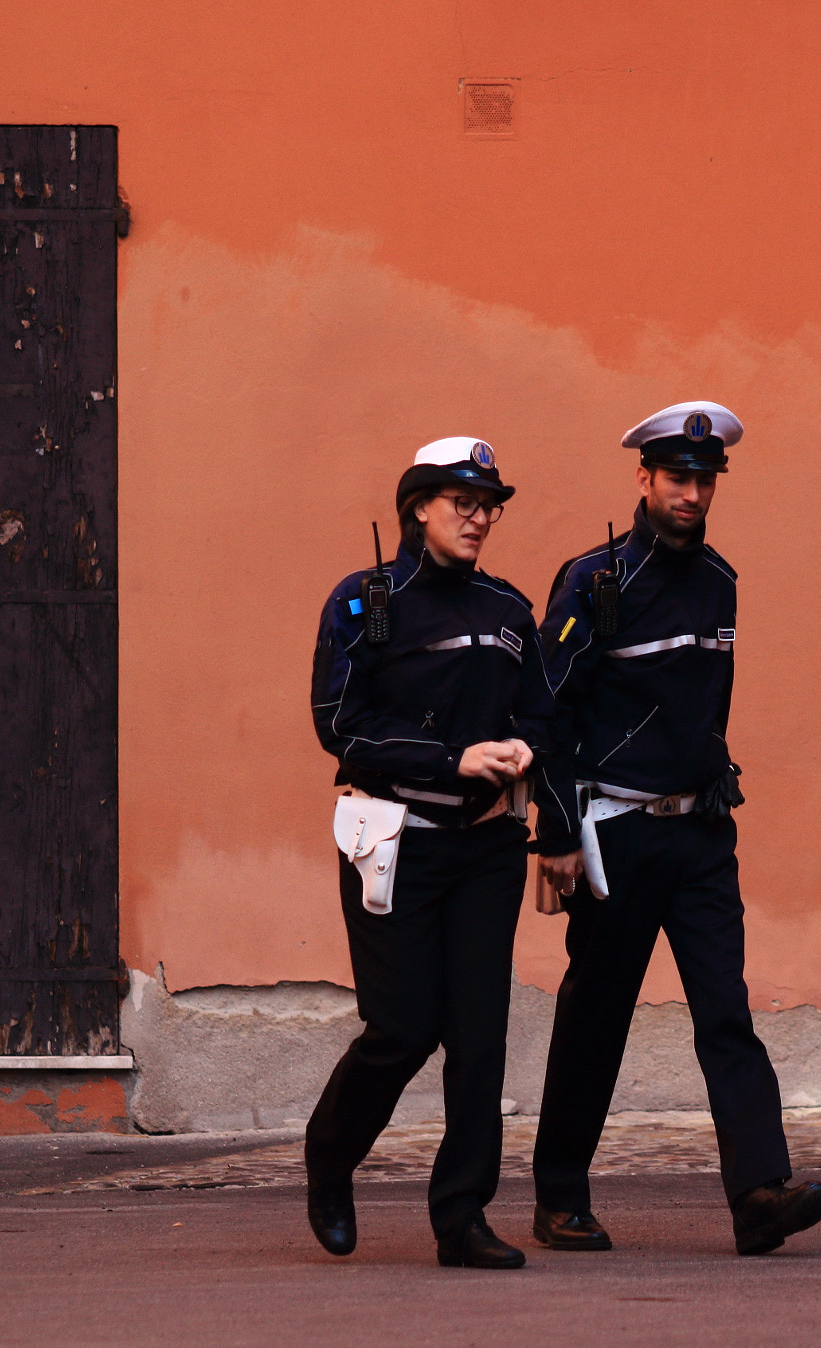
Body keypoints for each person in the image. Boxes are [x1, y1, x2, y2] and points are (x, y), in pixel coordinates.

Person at [528, 400, 821, 1256]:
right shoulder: (594, 583)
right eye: (677, 479)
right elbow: (547, 714)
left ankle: (758, 1194)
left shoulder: (722, 581)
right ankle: (560, 1200)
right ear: (644, 480)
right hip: (616, 836)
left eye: (704, 481)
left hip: (701, 835)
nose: (692, 493)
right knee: (597, 1017)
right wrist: (553, 832)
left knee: (725, 1013)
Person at [305, 436, 550, 1270]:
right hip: (394, 839)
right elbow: (338, 722)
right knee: (403, 1027)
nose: (481, 519)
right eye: (464, 504)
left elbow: (541, 713)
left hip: (484, 846)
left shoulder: (511, 609)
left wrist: (523, 751)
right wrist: (451, 758)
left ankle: (462, 1219)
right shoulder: (365, 600)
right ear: (418, 507)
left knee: (480, 1036)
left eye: (490, 506)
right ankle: (331, 1160)